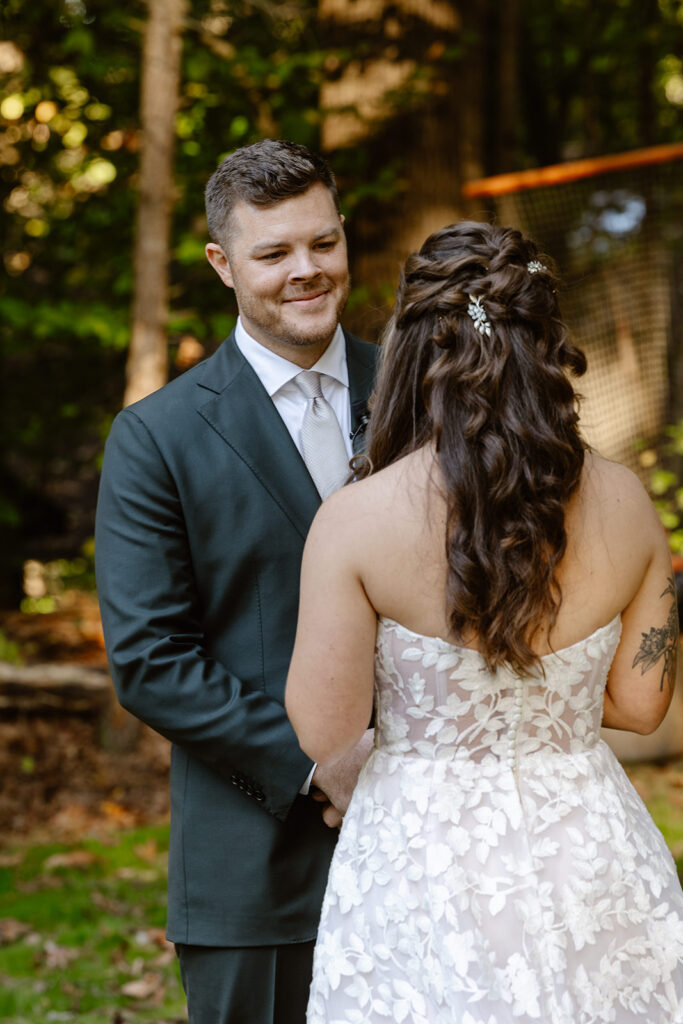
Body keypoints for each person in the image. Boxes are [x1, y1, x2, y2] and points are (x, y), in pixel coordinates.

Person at [285, 220, 683, 1023]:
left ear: (413, 347)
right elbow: (642, 706)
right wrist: (541, 702)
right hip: (589, 846)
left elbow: (326, 729)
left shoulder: (355, 521)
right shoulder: (629, 502)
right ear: (546, 343)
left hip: (423, 853)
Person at [94, 139, 378, 1024]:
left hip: (433, 842)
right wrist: (317, 767)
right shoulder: (157, 437)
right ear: (222, 264)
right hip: (256, 862)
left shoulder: (424, 390)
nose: (307, 271)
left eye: (322, 243)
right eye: (274, 253)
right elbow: (149, 658)